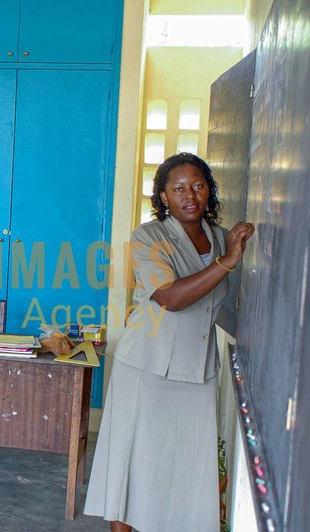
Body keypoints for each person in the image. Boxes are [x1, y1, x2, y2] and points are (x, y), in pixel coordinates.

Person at [84, 153, 256, 532]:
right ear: (162, 196)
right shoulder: (149, 236)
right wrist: (228, 261)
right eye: (177, 188)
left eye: (197, 185)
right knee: (134, 462)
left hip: (197, 370)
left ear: (209, 189)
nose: (189, 195)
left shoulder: (220, 236)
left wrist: (237, 246)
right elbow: (170, 298)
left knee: (183, 470)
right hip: (148, 367)